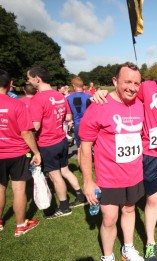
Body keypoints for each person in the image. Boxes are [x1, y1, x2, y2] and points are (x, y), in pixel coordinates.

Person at [93, 49, 157, 261]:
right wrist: (100, 92)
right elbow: (122, 95)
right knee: (151, 200)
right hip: (150, 154)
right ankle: (150, 242)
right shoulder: (148, 87)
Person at [80, 63, 145, 261]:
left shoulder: (140, 104)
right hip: (108, 177)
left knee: (129, 210)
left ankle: (128, 247)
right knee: (109, 218)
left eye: (136, 83)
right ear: (115, 82)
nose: (132, 88)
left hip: (134, 174)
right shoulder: (99, 105)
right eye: (127, 82)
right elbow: (85, 147)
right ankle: (108, 257)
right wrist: (88, 182)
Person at [27, 66, 86, 218]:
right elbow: (68, 117)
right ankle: (80, 196)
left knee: (55, 176)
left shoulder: (37, 99)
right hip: (61, 140)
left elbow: (36, 126)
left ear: (37, 79)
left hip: (48, 143)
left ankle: (64, 207)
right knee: (65, 170)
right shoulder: (59, 95)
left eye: (29, 78)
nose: (28, 81)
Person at [0, 69, 41, 236]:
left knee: (0, 188)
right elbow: (26, 132)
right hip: (17, 153)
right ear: (10, 85)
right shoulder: (17, 104)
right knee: (18, 189)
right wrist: (36, 152)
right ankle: (20, 225)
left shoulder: (18, 104)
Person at [66, 76, 92, 164]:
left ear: (73, 85)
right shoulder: (89, 96)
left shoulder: (68, 98)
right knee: (90, 146)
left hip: (77, 124)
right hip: (89, 124)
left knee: (79, 147)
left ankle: (81, 167)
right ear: (82, 85)